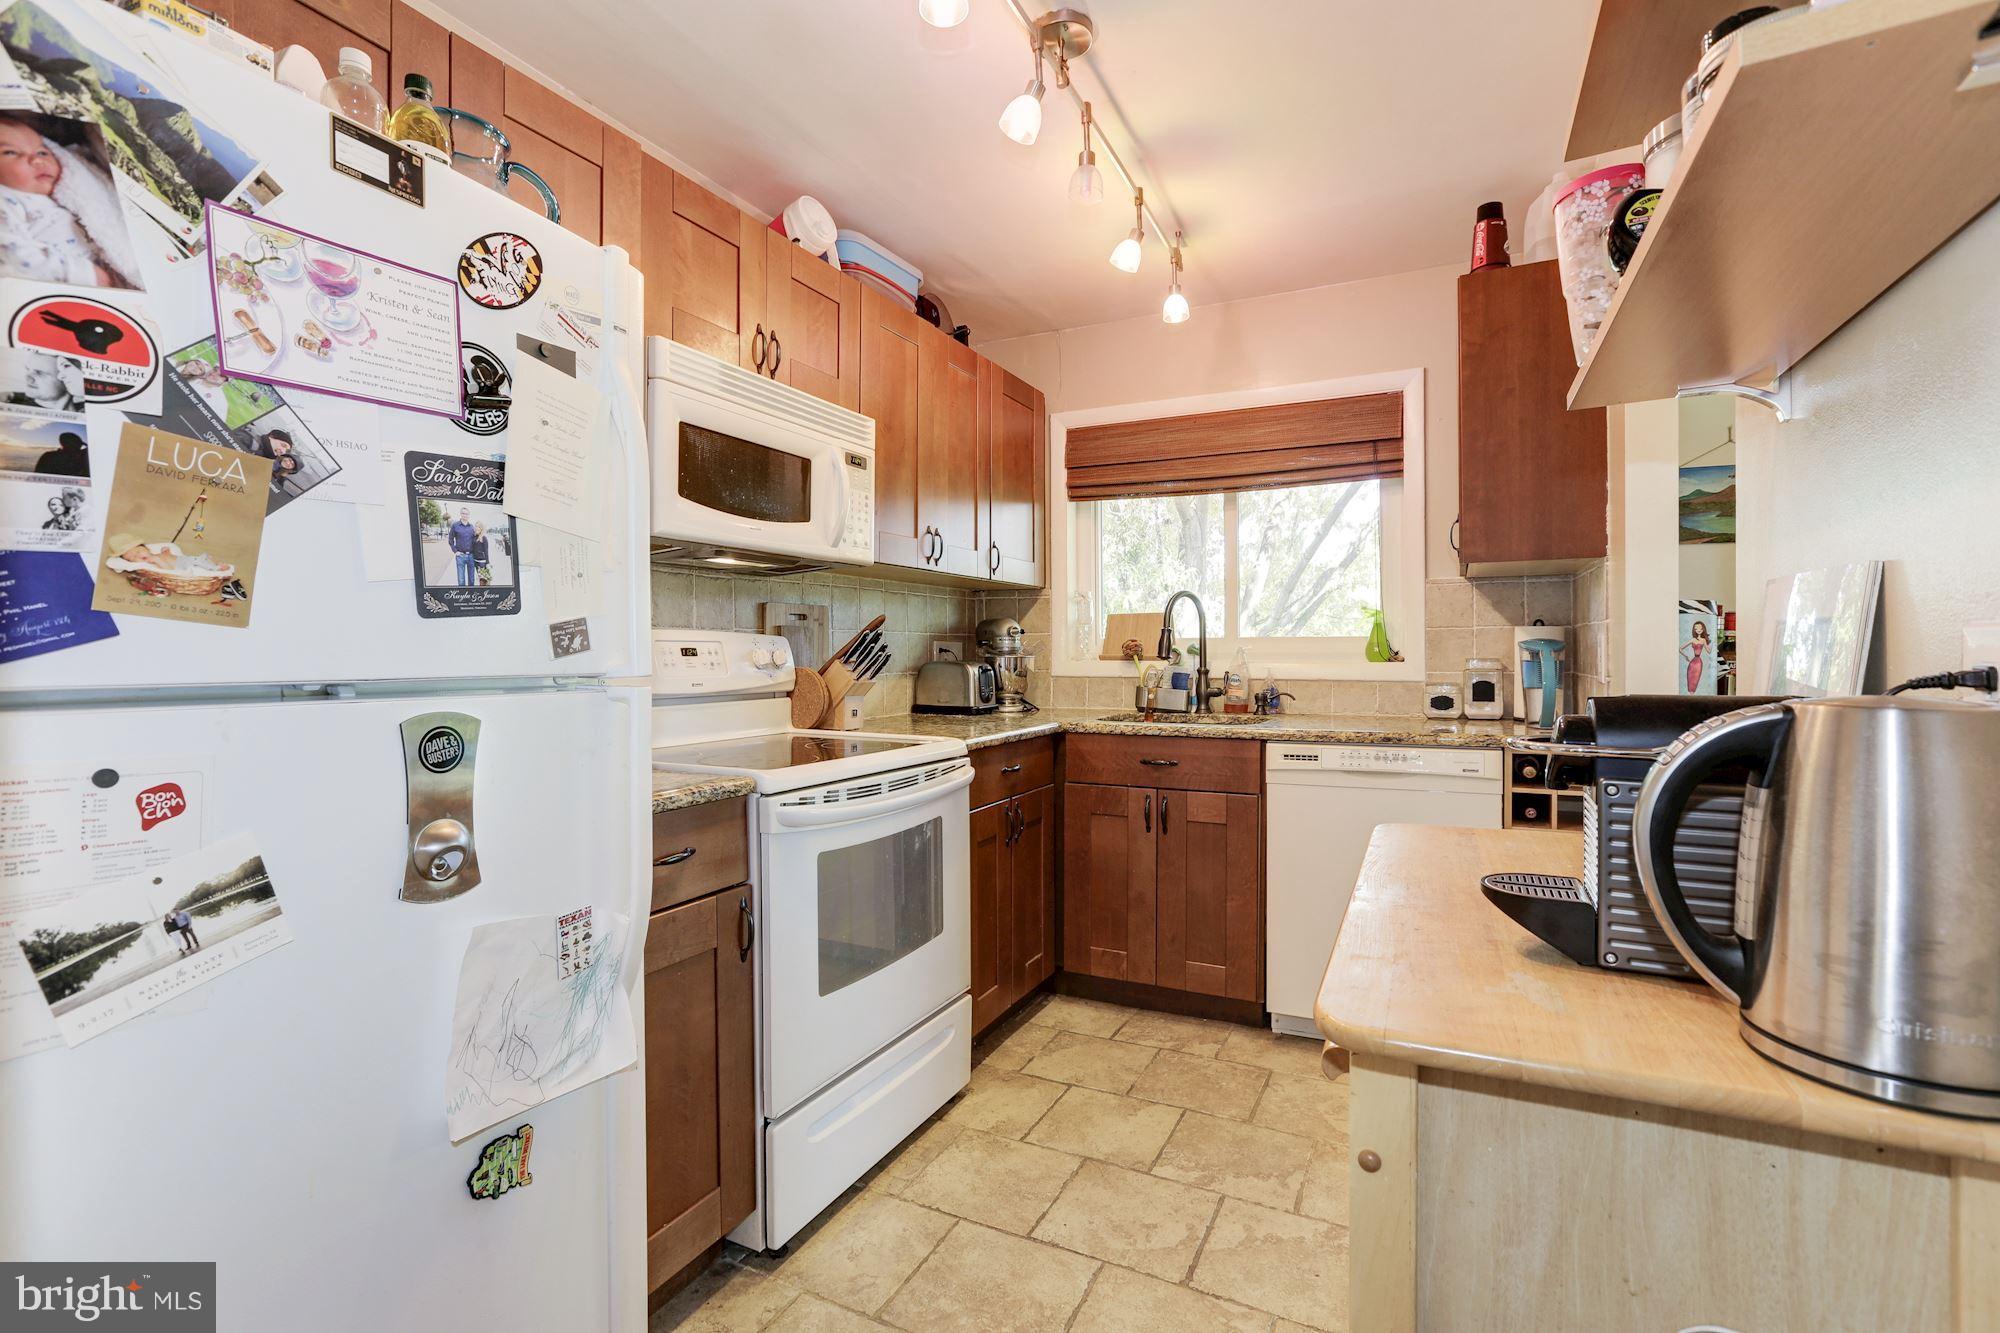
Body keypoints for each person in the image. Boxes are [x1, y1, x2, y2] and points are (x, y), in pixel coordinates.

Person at [0, 114, 137, 288]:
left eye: (42, 151)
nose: (37, 160)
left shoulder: (58, 196)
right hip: (65, 286)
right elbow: (10, 252)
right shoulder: (6, 199)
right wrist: (78, 273)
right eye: (10, 152)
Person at [6, 351, 84, 413]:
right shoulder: (9, 402)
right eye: (27, 369)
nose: (28, 378)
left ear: (65, 379)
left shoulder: (85, 409)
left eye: (40, 373)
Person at [257, 427, 302, 497]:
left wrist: (282, 477)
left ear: (291, 470)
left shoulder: (279, 477)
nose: (288, 463)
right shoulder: (266, 454)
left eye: (292, 464)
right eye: (290, 460)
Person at [1681, 618, 1712, 694]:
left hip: (1698, 662)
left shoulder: (1703, 640)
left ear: (1703, 629)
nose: (1698, 630)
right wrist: (1686, 656)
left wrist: (1712, 643)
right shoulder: (1693, 640)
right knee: (1690, 677)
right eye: (1696, 628)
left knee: (1696, 678)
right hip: (1692, 662)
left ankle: (1693, 695)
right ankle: (1690, 695)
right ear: (1694, 630)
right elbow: (1680, 649)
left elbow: (1709, 651)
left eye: (1700, 628)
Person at [447, 507, 477, 586]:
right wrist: (455, 551)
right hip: (460, 556)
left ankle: (471, 595)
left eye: (466, 514)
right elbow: (450, 539)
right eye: (463, 513)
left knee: (472, 579)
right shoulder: (455, 525)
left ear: (469, 515)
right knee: (461, 580)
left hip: (471, 556)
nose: (465, 515)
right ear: (460, 514)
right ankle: (462, 596)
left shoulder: (472, 527)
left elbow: (476, 540)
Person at [471, 521, 491, 586]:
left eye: (478, 527)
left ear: (481, 528)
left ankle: (484, 593)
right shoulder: (474, 537)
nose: (477, 528)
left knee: (483, 580)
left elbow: (486, 551)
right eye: (476, 526)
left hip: (482, 562)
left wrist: (487, 563)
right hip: (475, 561)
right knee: (480, 578)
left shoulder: (484, 538)